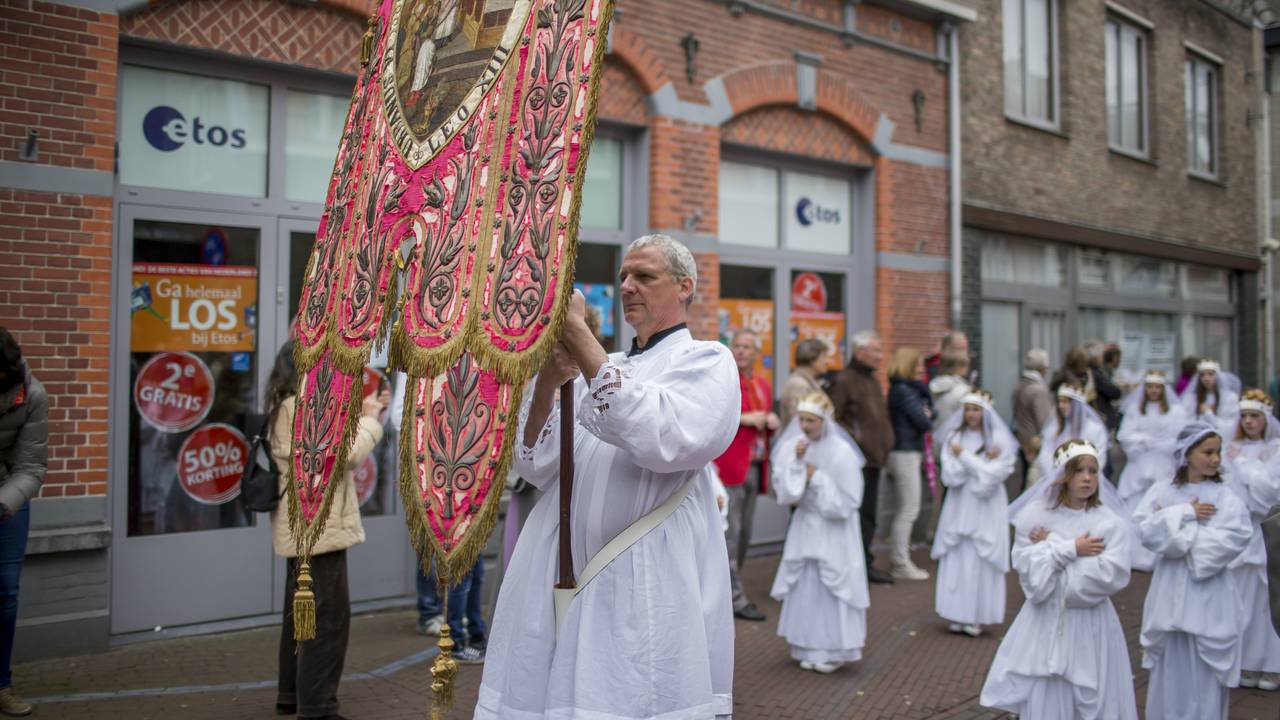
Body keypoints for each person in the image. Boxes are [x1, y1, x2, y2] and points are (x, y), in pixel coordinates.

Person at [477, 234, 738, 719]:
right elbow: (537, 464)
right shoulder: (607, 364)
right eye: (623, 277)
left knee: (631, 694)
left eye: (644, 276)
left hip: (645, 571)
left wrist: (578, 334)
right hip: (560, 567)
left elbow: (662, 438)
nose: (628, 286)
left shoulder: (707, 360)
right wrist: (547, 388)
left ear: (684, 286)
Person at [267, 341, 388, 720]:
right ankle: (318, 707)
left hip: (303, 524)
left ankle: (292, 696)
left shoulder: (285, 405)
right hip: (320, 525)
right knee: (328, 618)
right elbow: (345, 455)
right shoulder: (305, 407)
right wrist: (370, 418)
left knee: (300, 615)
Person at [981, 440, 1137, 719]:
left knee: (1089, 695)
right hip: (1044, 620)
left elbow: (1109, 574)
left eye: (1093, 470)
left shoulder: (1109, 522)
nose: (1088, 478)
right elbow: (1030, 572)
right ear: (1063, 476)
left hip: (1089, 624)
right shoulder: (1037, 517)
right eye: (1079, 471)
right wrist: (1072, 549)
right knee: (1048, 692)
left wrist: (1052, 548)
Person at [1135, 421, 1252, 720]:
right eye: (1207, 452)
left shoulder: (1226, 497)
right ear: (1187, 454)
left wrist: (1177, 533)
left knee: (1204, 670)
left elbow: (1234, 537)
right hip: (1170, 587)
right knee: (1171, 665)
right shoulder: (1163, 490)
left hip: (1208, 590)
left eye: (1218, 452)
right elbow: (1144, 529)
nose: (1215, 459)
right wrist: (1185, 513)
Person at [769, 392, 868, 674]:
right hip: (806, 526)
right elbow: (787, 494)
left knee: (831, 588)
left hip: (834, 531)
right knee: (807, 586)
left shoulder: (841, 452)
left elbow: (849, 503)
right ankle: (808, 645)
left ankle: (833, 649)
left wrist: (817, 476)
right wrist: (797, 464)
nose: (804, 426)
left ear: (824, 420)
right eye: (801, 420)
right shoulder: (794, 446)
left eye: (810, 420)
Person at [931, 390, 1016, 637]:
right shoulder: (955, 437)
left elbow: (991, 479)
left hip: (985, 507)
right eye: (967, 409)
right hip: (959, 504)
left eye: (976, 409)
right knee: (958, 553)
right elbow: (950, 476)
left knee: (981, 556)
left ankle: (977, 614)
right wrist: (979, 464)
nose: (971, 415)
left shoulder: (999, 439)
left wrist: (965, 458)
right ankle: (957, 612)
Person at [714, 328, 777, 622]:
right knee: (731, 535)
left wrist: (771, 421)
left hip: (755, 465)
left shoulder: (762, 384)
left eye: (746, 347)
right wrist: (745, 418)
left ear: (756, 353)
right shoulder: (723, 381)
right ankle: (734, 598)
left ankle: (728, 592)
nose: (740, 351)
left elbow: (764, 417)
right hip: (729, 467)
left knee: (744, 537)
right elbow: (713, 415)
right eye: (737, 346)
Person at [0, 329, 46, 718]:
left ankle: (2, 685)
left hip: (6, 502)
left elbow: (31, 466)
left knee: (5, 594)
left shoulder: (31, 395)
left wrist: (4, 504)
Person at [1223, 389, 1280, 691]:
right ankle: (1244, 660)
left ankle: (1272, 664)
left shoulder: (1276, 449)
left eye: (1254, 416)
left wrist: (1244, 464)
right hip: (1240, 530)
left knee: (1267, 600)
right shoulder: (1230, 447)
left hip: (1265, 531)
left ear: (1266, 419)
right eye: (1244, 416)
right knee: (1242, 600)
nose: (1248, 421)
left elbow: (1269, 493)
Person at [829, 331, 896, 585]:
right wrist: (854, 444)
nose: (881, 356)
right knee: (856, 513)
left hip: (874, 459)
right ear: (860, 353)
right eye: (876, 351)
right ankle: (854, 564)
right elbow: (834, 419)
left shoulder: (873, 381)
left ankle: (864, 562)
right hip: (857, 461)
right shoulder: (845, 380)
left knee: (869, 514)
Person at [391, 372, 445, 636]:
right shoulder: (416, 359)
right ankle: (430, 610)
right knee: (427, 538)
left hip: (457, 461)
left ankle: (454, 612)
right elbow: (398, 415)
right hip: (426, 462)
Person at [1115, 371, 1185, 571]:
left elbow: (1179, 436)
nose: (1153, 391)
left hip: (1162, 463)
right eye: (1150, 387)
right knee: (1134, 507)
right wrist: (1143, 440)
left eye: (1157, 387)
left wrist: (1160, 444)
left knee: (1159, 505)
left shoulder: (1175, 411)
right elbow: (1125, 435)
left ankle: (1156, 554)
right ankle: (1134, 554)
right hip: (1139, 464)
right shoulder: (1136, 409)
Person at [885, 347, 932, 581]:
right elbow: (923, 421)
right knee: (908, 509)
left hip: (904, 450)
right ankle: (900, 562)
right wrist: (927, 413)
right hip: (904, 452)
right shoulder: (904, 391)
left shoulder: (903, 389)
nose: (923, 371)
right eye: (918, 366)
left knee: (904, 508)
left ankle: (899, 558)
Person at [1032, 384, 1109, 487]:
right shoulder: (1055, 428)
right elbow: (1045, 454)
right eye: (1059, 401)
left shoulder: (1094, 429)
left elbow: (1099, 459)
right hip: (1056, 482)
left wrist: (1076, 476)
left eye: (1065, 402)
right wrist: (1056, 476)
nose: (1060, 405)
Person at [1012, 349, 1053, 491]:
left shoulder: (1018, 385)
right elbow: (1046, 422)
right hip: (1035, 443)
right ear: (1042, 369)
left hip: (1022, 439)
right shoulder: (1038, 389)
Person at [779, 338, 829, 427]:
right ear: (812, 359)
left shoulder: (807, 382)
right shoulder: (798, 386)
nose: (827, 362)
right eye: (824, 357)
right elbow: (799, 424)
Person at [1181, 359, 1241, 428]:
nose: (1206, 378)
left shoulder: (1229, 398)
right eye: (1202, 375)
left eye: (1210, 374)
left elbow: (1231, 424)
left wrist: (1208, 413)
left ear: (1217, 376)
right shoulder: (1191, 398)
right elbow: (1186, 422)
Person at [928, 350, 971, 440]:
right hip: (956, 443)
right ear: (960, 367)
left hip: (934, 441)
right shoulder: (964, 390)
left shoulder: (931, 387)